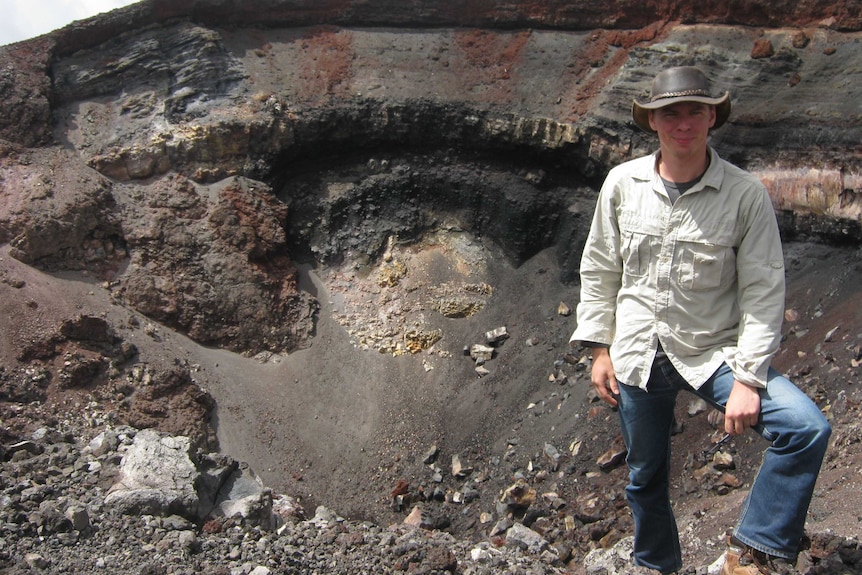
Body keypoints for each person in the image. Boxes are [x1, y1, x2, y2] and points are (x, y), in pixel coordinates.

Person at [569, 66, 831, 575]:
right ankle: (656, 566)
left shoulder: (744, 194)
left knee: (804, 427)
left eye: (695, 111)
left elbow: (763, 289)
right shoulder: (623, 184)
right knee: (645, 477)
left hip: (712, 353)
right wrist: (600, 348)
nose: (683, 123)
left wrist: (750, 379)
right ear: (652, 121)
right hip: (637, 353)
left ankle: (752, 551)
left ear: (713, 116)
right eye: (671, 112)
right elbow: (600, 266)